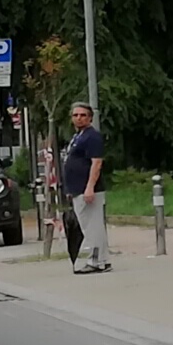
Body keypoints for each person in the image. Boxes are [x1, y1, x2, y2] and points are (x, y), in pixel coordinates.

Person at [63, 102, 109, 274]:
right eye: (75, 115)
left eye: (82, 115)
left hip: (88, 190)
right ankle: (101, 260)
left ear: (90, 117)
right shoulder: (78, 136)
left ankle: (97, 261)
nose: (78, 118)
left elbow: (96, 163)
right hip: (77, 189)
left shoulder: (92, 137)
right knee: (87, 226)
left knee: (92, 227)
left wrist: (89, 187)